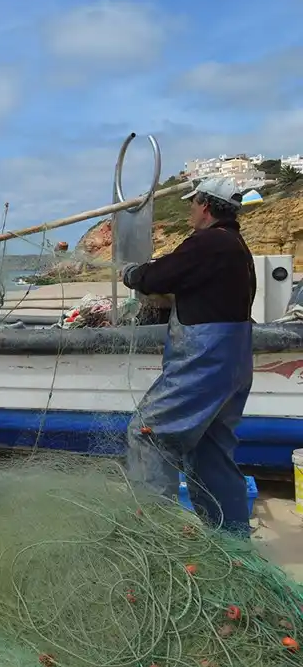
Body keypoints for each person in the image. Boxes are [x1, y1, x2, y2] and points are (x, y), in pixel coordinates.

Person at [120, 176, 256, 537]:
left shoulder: (208, 242)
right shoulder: (237, 247)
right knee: (211, 451)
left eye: (193, 204)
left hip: (205, 363)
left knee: (148, 434)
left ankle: (151, 538)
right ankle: (233, 541)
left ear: (206, 207)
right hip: (234, 363)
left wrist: (133, 274)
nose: (190, 210)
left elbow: (162, 274)